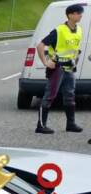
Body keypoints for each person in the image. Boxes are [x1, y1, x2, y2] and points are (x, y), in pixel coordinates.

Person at [35, 4, 83, 134]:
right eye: (78, 13)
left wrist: (76, 59)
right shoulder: (59, 30)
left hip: (69, 68)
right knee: (50, 96)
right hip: (57, 68)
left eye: (81, 13)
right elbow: (40, 45)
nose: (81, 15)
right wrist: (45, 62)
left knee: (70, 96)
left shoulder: (79, 30)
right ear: (70, 15)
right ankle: (40, 126)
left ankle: (71, 124)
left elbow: (76, 49)